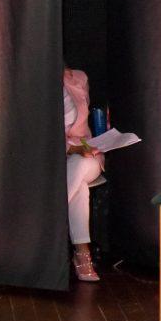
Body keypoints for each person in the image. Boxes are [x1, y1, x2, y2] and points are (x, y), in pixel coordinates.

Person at [64, 67, 104, 282]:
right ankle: (82, 252)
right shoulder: (35, 86)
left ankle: (49, 222)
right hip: (54, 160)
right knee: (78, 188)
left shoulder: (79, 78)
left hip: (86, 153)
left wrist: (79, 148)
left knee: (79, 166)